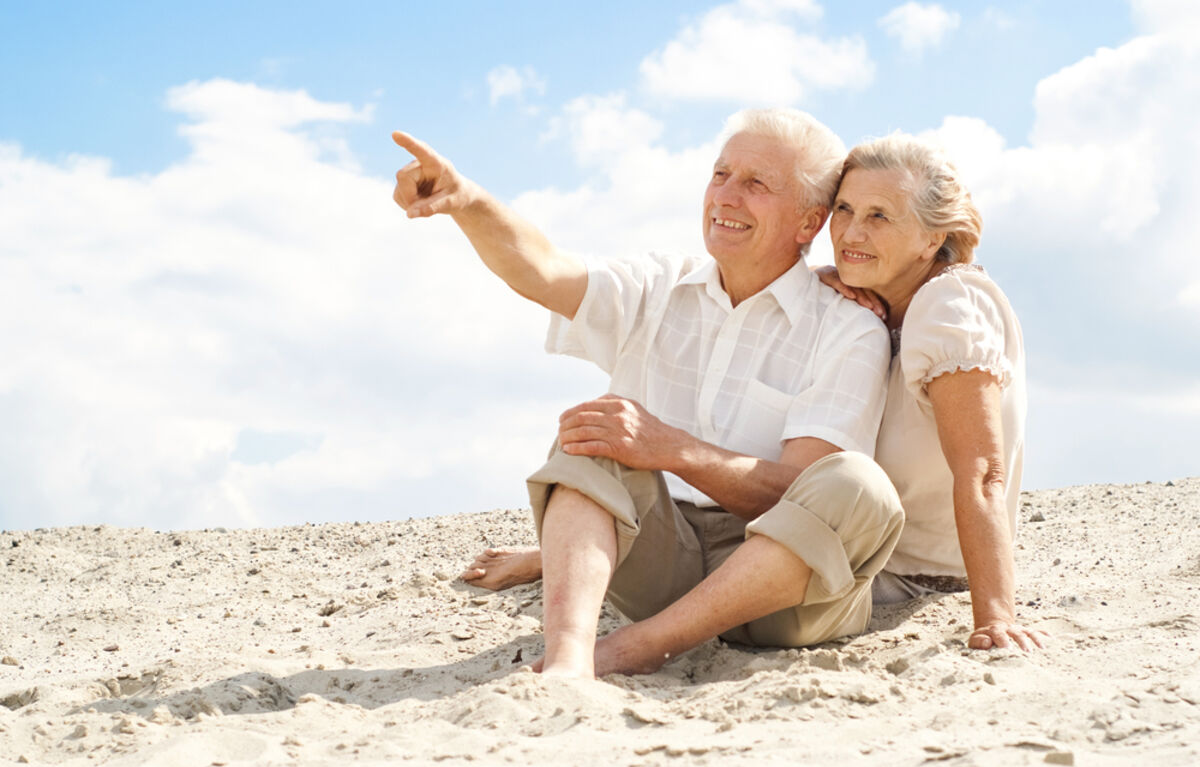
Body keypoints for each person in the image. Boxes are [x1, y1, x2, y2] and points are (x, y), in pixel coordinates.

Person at [395, 109, 905, 680]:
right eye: (720, 174)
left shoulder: (847, 326)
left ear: (809, 222)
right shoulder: (660, 284)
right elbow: (544, 270)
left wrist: (673, 449)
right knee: (596, 431)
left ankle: (632, 649)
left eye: (756, 183)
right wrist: (467, 200)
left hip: (784, 598)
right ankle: (568, 658)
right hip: (661, 564)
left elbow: (797, 494)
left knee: (857, 484)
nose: (726, 196)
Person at [821, 133, 1045, 651]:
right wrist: (813, 286)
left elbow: (982, 471)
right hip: (876, 564)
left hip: (905, 583)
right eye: (844, 208)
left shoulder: (948, 304)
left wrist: (995, 617)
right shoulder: (896, 299)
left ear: (930, 239)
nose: (851, 231)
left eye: (880, 216)